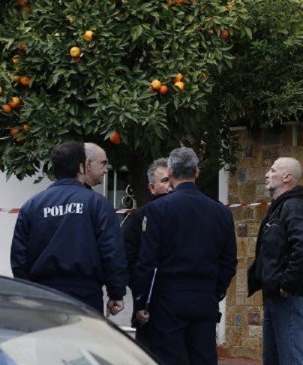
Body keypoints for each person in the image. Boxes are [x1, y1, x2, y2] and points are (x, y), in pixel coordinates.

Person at [132, 147, 237, 365]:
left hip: (167, 298)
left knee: (167, 358)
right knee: (204, 358)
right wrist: (215, 292)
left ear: (170, 172)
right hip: (205, 297)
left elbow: (147, 260)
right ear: (197, 172)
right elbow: (228, 262)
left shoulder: (158, 209)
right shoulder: (221, 212)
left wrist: (141, 301)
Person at [11, 141, 127, 316]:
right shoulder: (97, 203)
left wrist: (27, 294)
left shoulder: (32, 205)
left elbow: (19, 257)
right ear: (82, 167)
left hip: (42, 296)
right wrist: (116, 292)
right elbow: (111, 250)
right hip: (85, 296)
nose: (105, 170)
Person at [247, 157, 303, 365]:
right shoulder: (279, 207)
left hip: (288, 298)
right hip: (274, 297)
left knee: (290, 360)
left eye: (272, 170)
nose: (267, 174)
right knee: (273, 360)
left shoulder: (293, 206)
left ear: (287, 177)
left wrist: (288, 284)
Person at [122, 158, 171, 345]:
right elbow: (129, 259)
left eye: (172, 179)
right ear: (152, 187)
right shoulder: (139, 217)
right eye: (164, 180)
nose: (170, 185)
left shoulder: (189, 213)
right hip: (151, 302)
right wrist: (142, 295)